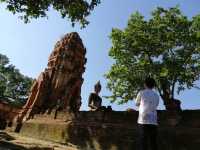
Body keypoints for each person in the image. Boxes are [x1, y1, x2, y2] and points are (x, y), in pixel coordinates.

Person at [135, 77, 159, 150]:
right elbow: (156, 105)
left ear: (145, 84)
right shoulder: (156, 95)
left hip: (143, 118)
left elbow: (136, 103)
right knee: (153, 141)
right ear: (153, 85)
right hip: (153, 119)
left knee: (143, 140)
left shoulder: (141, 92)